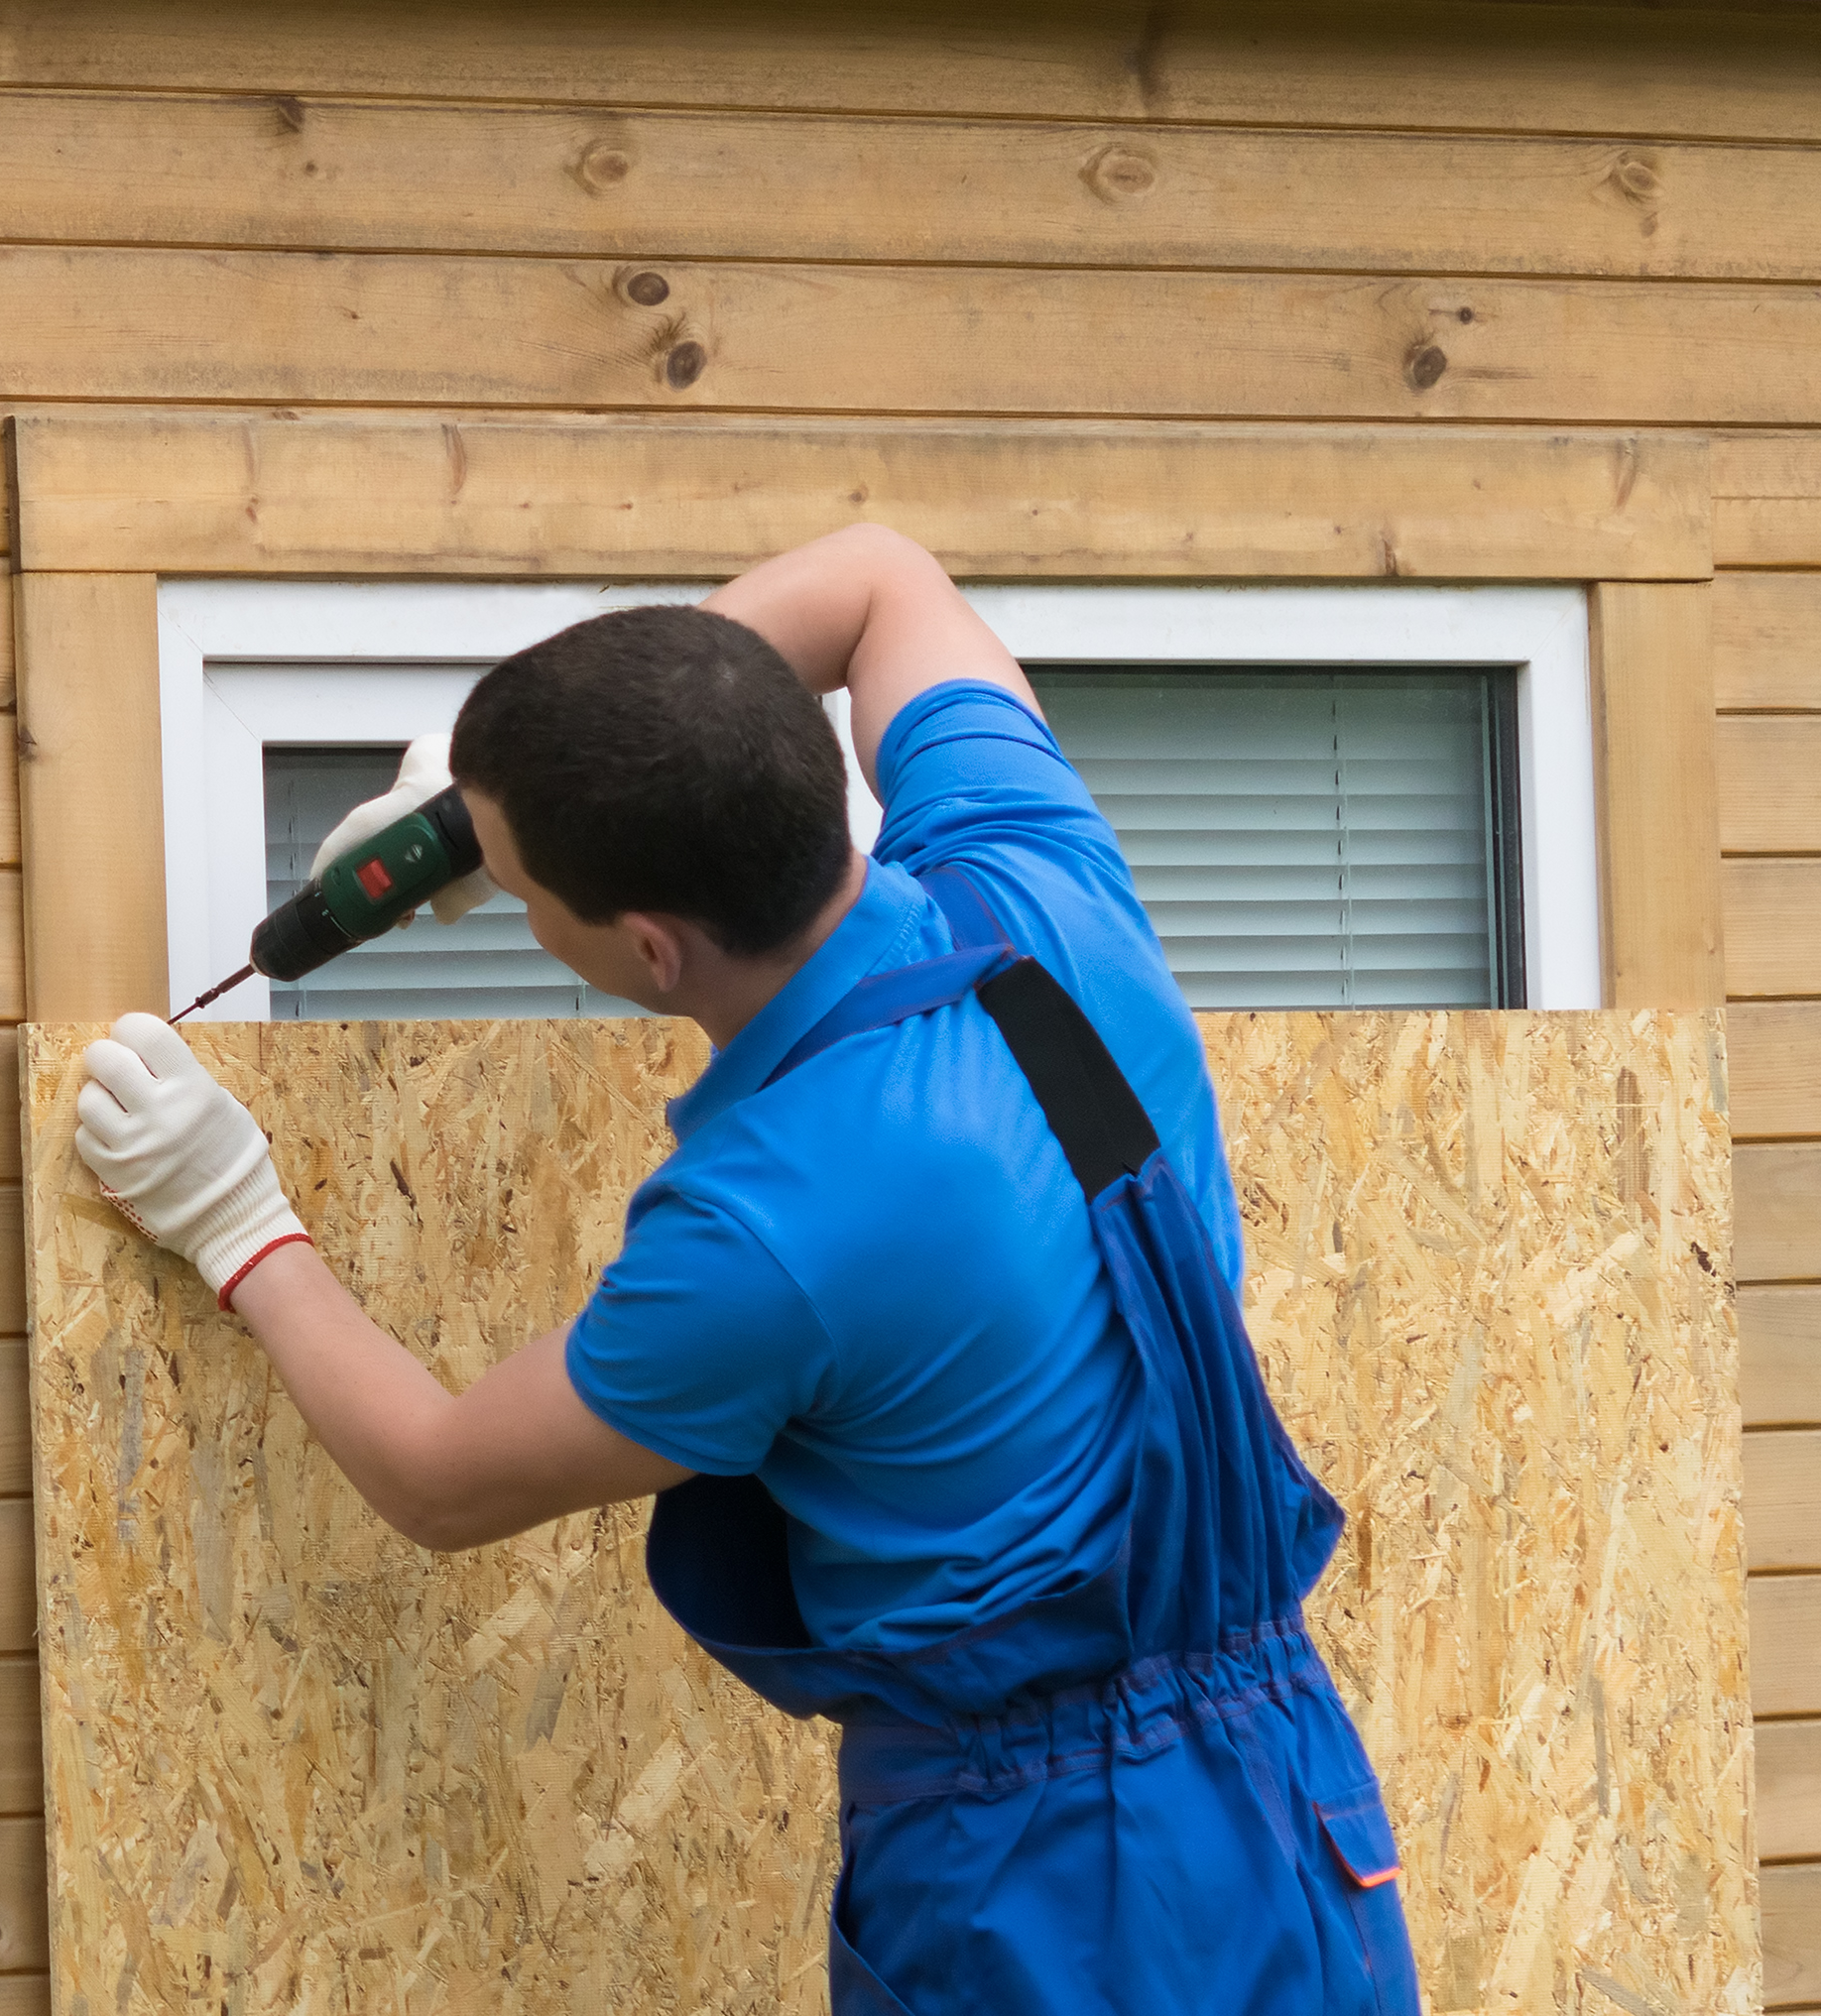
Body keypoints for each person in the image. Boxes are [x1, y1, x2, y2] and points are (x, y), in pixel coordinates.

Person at [69, 525, 1419, 2014]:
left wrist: (239, 1223)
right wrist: (525, 780)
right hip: (1286, 1791)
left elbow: (442, 1475)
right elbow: (880, 576)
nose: (508, 905)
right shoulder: (1030, 876)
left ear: (650, 952)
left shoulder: (768, 1229)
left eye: (519, 893)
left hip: (1045, 1877)